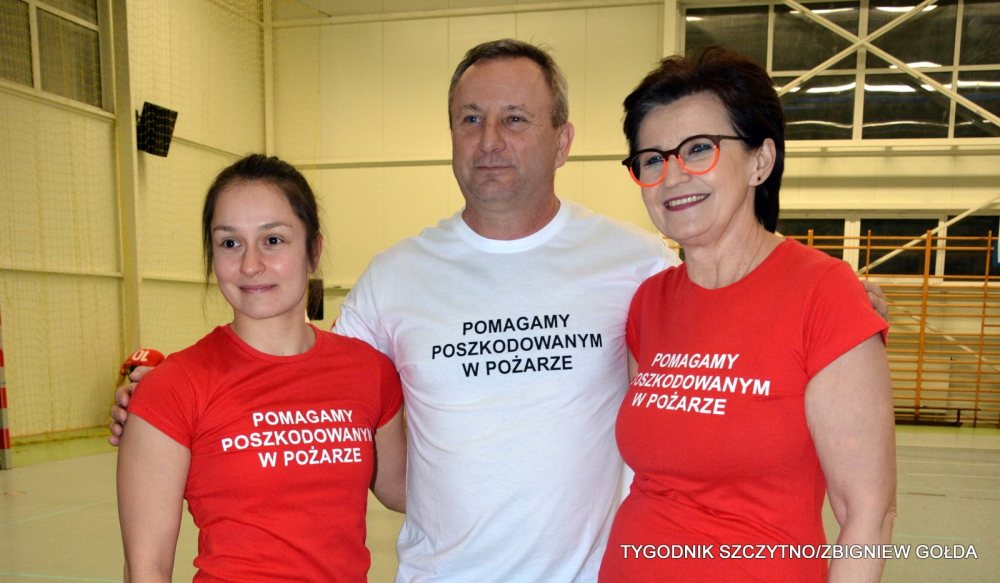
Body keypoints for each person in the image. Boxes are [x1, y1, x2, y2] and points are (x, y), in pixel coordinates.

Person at [109, 40, 888, 582]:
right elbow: (302, 376)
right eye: (470, 118)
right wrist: (160, 406)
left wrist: (835, 292)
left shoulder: (637, 265)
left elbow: (739, 297)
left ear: (562, 139)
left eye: (516, 118)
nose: (490, 140)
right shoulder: (394, 277)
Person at [597, 47, 896, 582]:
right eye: (653, 159)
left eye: (699, 149)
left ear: (761, 160)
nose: (672, 176)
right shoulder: (650, 303)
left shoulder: (824, 295)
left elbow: (868, 516)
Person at [116, 154, 406, 581]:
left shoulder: (370, 371)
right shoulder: (173, 387)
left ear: (313, 250)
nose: (250, 265)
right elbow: (147, 569)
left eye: (273, 240)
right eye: (229, 243)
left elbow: (404, 490)